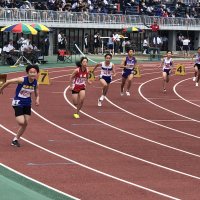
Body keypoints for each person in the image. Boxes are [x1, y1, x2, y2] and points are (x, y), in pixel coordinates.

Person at [0, 65, 40, 147]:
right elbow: (8, 81)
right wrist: (1, 89)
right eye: (30, 72)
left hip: (27, 103)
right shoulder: (22, 80)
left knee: (25, 123)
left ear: (37, 73)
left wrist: (37, 100)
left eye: (34, 72)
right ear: (27, 73)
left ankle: (15, 139)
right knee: (21, 122)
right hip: (18, 102)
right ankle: (16, 138)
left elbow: (37, 94)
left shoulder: (36, 83)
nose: (32, 74)